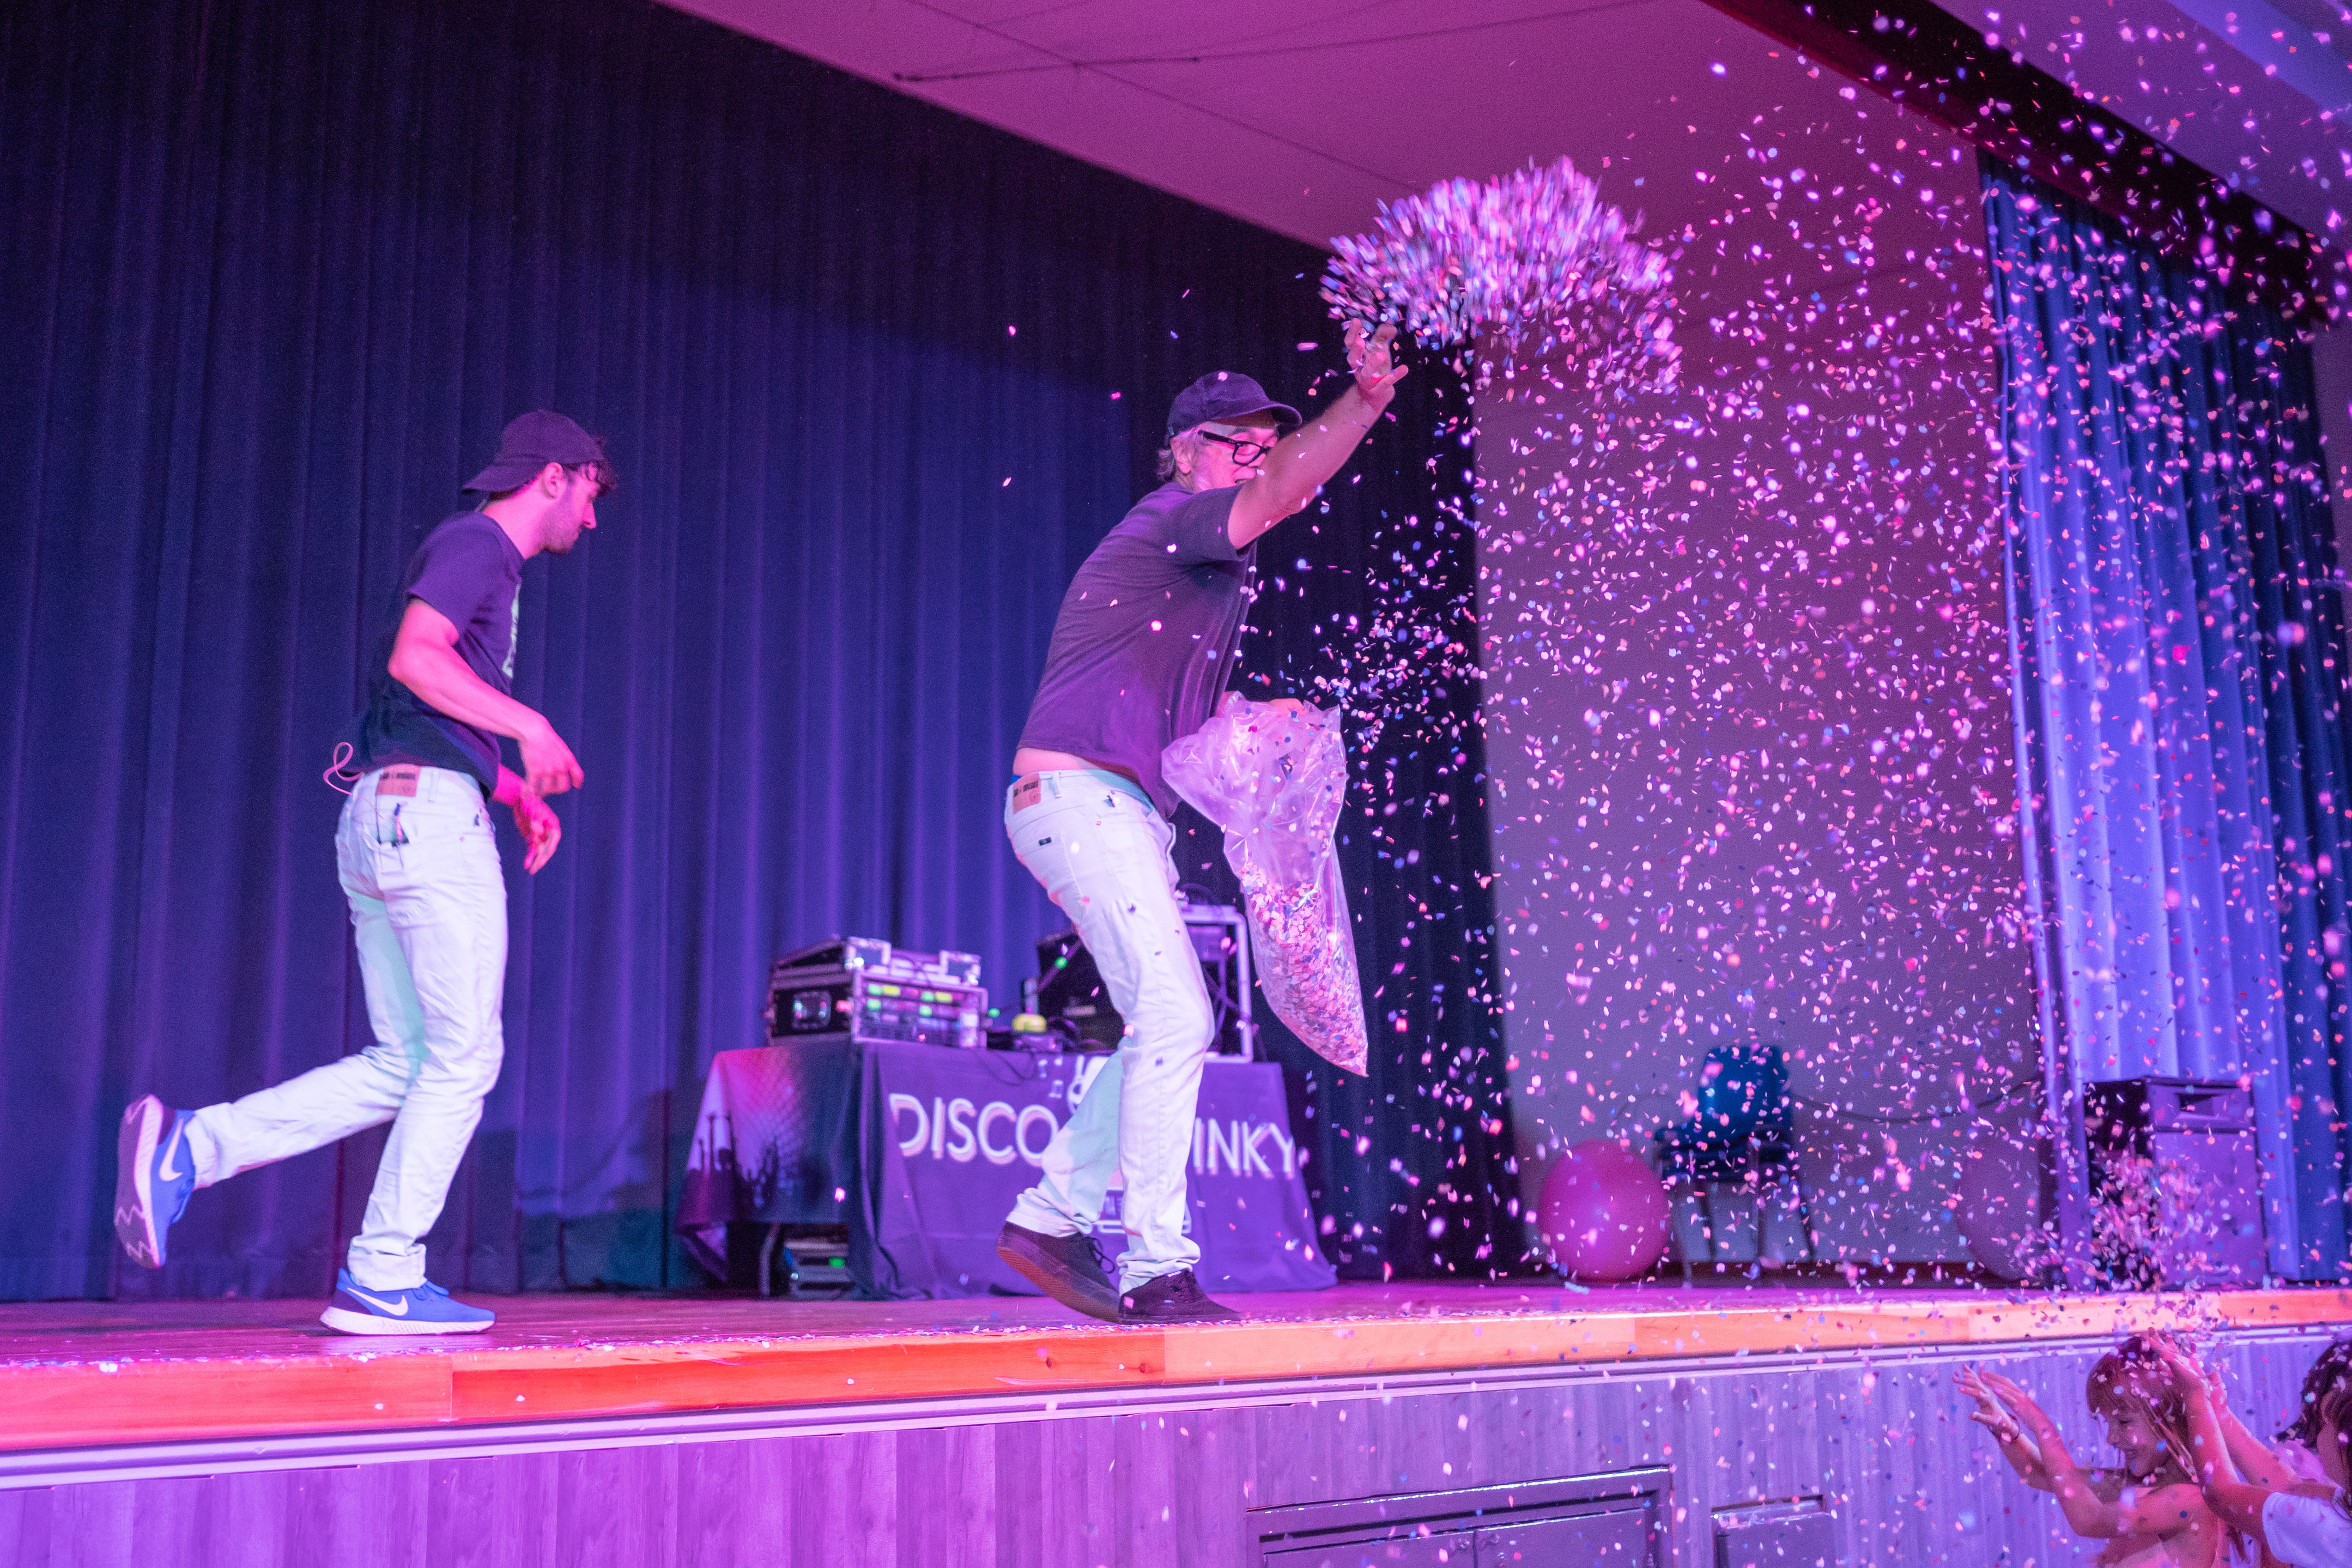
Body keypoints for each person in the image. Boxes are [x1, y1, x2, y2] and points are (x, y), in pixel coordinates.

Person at [112, 412, 609, 1335]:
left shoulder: (478, 557)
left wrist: (509, 788)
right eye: (591, 490)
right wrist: (529, 728)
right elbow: (413, 659)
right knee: (464, 1058)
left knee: (407, 1062)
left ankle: (191, 1147)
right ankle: (384, 1271)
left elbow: (417, 710)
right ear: (554, 475)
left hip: (389, 811)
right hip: (424, 824)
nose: (592, 514)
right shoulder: (478, 544)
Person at [995, 323, 1406, 1324]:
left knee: (1172, 1020)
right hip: (1080, 801)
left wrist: (1256, 719)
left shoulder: (1201, 583)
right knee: (1179, 1015)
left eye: (1263, 444)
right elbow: (1288, 490)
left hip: (1111, 809)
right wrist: (1362, 403)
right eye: (1235, 444)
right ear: (1183, 452)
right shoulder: (1173, 521)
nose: (1255, 459)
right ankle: (1154, 1266)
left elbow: (1182, 721)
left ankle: (1051, 1217)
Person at [1958, 1338, 2226, 1567]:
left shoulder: (2192, 1500)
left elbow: (2090, 1520)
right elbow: (2041, 1475)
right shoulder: (2140, 1487)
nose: (2111, 1438)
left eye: (2123, 1421)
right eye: (2108, 1423)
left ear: (2172, 1417)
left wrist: (2042, 1425)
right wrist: (2007, 1430)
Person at [2156, 1336, 2352, 1566]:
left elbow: (2221, 1494)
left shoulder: (2327, 1528)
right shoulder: (2345, 1509)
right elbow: (2289, 1487)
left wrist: (2195, 1396)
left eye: (2327, 1423)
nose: (2319, 1429)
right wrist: (2218, 1410)